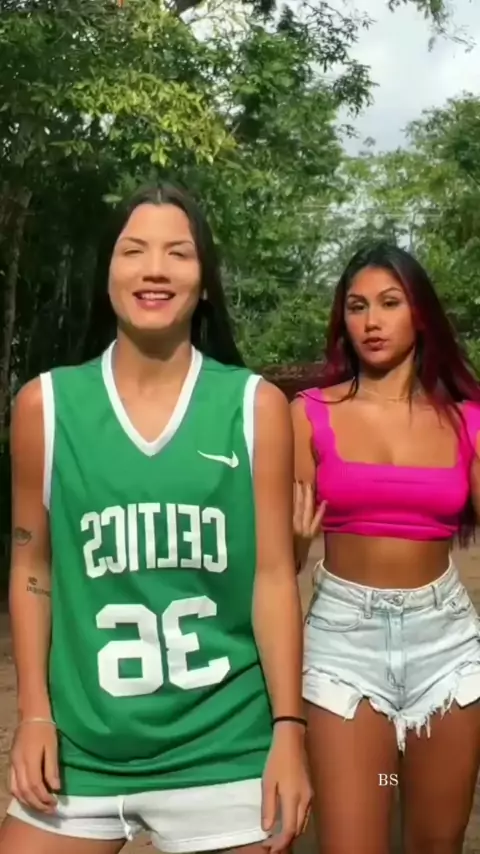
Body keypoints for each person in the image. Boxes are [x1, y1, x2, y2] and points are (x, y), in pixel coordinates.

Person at [0, 183, 311, 854]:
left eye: (179, 253)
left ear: (205, 281)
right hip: (80, 753)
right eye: (134, 250)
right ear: (107, 272)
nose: (155, 270)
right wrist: (33, 716)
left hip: (224, 748)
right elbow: (32, 568)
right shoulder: (44, 408)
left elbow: (273, 579)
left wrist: (290, 729)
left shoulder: (254, 407)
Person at [291, 243, 480, 854]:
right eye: (357, 307)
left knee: (436, 843)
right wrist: (294, 542)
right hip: (343, 644)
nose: (372, 321)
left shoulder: (468, 421)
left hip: (446, 644)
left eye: (389, 303)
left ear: (419, 314)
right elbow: (277, 564)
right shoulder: (307, 414)